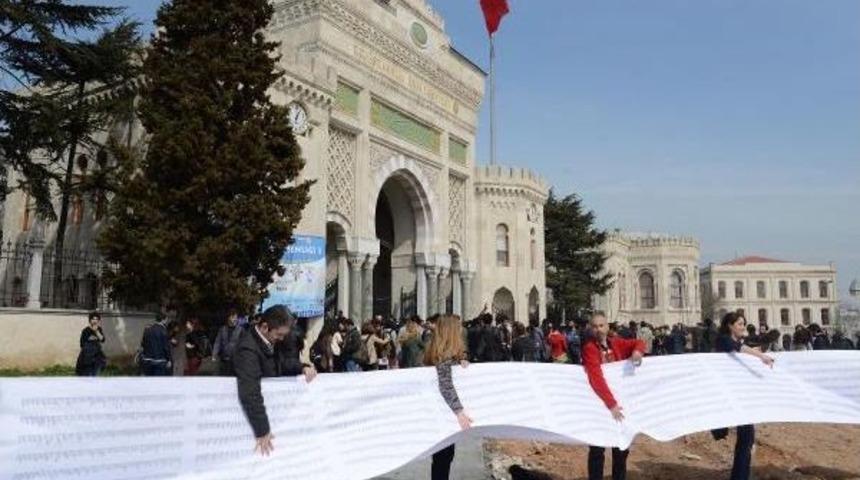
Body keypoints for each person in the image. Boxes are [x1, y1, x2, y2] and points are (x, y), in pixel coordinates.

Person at [234, 305, 317, 456]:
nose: (282, 339)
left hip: (272, 410)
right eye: (279, 334)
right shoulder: (247, 349)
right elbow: (250, 391)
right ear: (265, 327)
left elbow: (281, 363)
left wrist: (302, 367)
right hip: (246, 422)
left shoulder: (271, 341)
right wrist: (262, 430)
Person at [581, 312, 646, 480]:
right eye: (594, 326)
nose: (598, 329)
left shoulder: (616, 343)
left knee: (621, 448)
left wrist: (638, 352)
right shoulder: (589, 348)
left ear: (607, 326)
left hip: (620, 403)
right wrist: (611, 404)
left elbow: (639, 342)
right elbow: (596, 378)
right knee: (597, 448)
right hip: (600, 404)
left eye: (601, 325)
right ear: (590, 328)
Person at [714, 312, 774, 480]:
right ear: (730, 325)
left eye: (744, 324)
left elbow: (743, 349)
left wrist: (760, 350)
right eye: (740, 324)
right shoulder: (723, 340)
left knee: (747, 437)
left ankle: (740, 475)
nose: (742, 327)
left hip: (739, 394)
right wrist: (761, 356)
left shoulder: (734, 341)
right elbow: (739, 349)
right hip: (730, 394)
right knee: (746, 436)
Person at [424, 315, 473, 480]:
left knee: (442, 458)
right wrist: (459, 412)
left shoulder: (438, 351)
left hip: (438, 410)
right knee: (443, 458)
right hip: (443, 412)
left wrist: (462, 361)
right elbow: (445, 385)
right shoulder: (444, 355)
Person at [212, 308, 243, 376]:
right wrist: (214, 354)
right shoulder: (222, 329)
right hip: (223, 360)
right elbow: (217, 342)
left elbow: (243, 344)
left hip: (236, 361)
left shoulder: (240, 330)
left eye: (236, 317)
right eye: (233, 317)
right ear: (228, 318)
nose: (235, 319)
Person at [76, 311, 106, 376]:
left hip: (97, 356)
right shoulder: (86, 330)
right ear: (90, 320)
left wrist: (96, 331)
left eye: (97, 319)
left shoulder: (99, 329)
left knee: (96, 373)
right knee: (87, 374)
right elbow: (82, 343)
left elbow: (103, 339)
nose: (95, 321)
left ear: (98, 321)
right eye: (93, 319)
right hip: (87, 356)